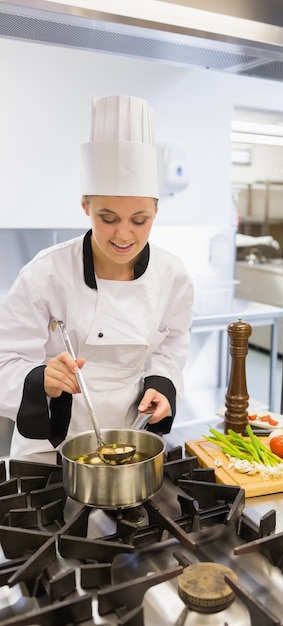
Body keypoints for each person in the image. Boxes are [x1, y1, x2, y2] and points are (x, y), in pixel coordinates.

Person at [0, 95, 194, 460]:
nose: (124, 235)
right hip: (48, 449)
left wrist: (162, 385)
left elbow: (172, 345)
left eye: (139, 220)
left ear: (156, 209)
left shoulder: (173, 276)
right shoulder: (46, 273)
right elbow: (4, 360)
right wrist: (40, 378)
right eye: (107, 218)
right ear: (85, 206)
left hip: (132, 441)